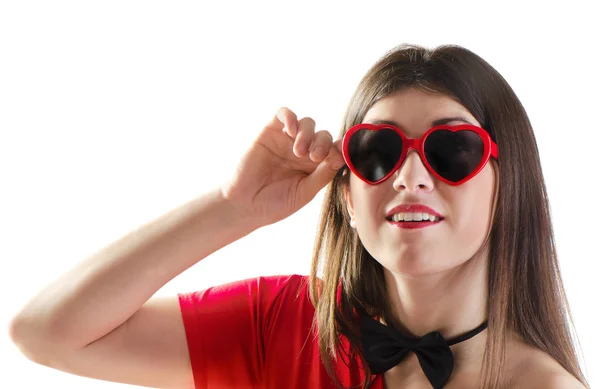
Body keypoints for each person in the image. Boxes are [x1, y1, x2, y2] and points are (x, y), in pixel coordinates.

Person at [8, 43, 589, 389]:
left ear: (507, 183)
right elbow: (45, 332)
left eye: (451, 150)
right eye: (378, 152)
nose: (410, 177)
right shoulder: (287, 325)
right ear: (345, 194)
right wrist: (233, 209)